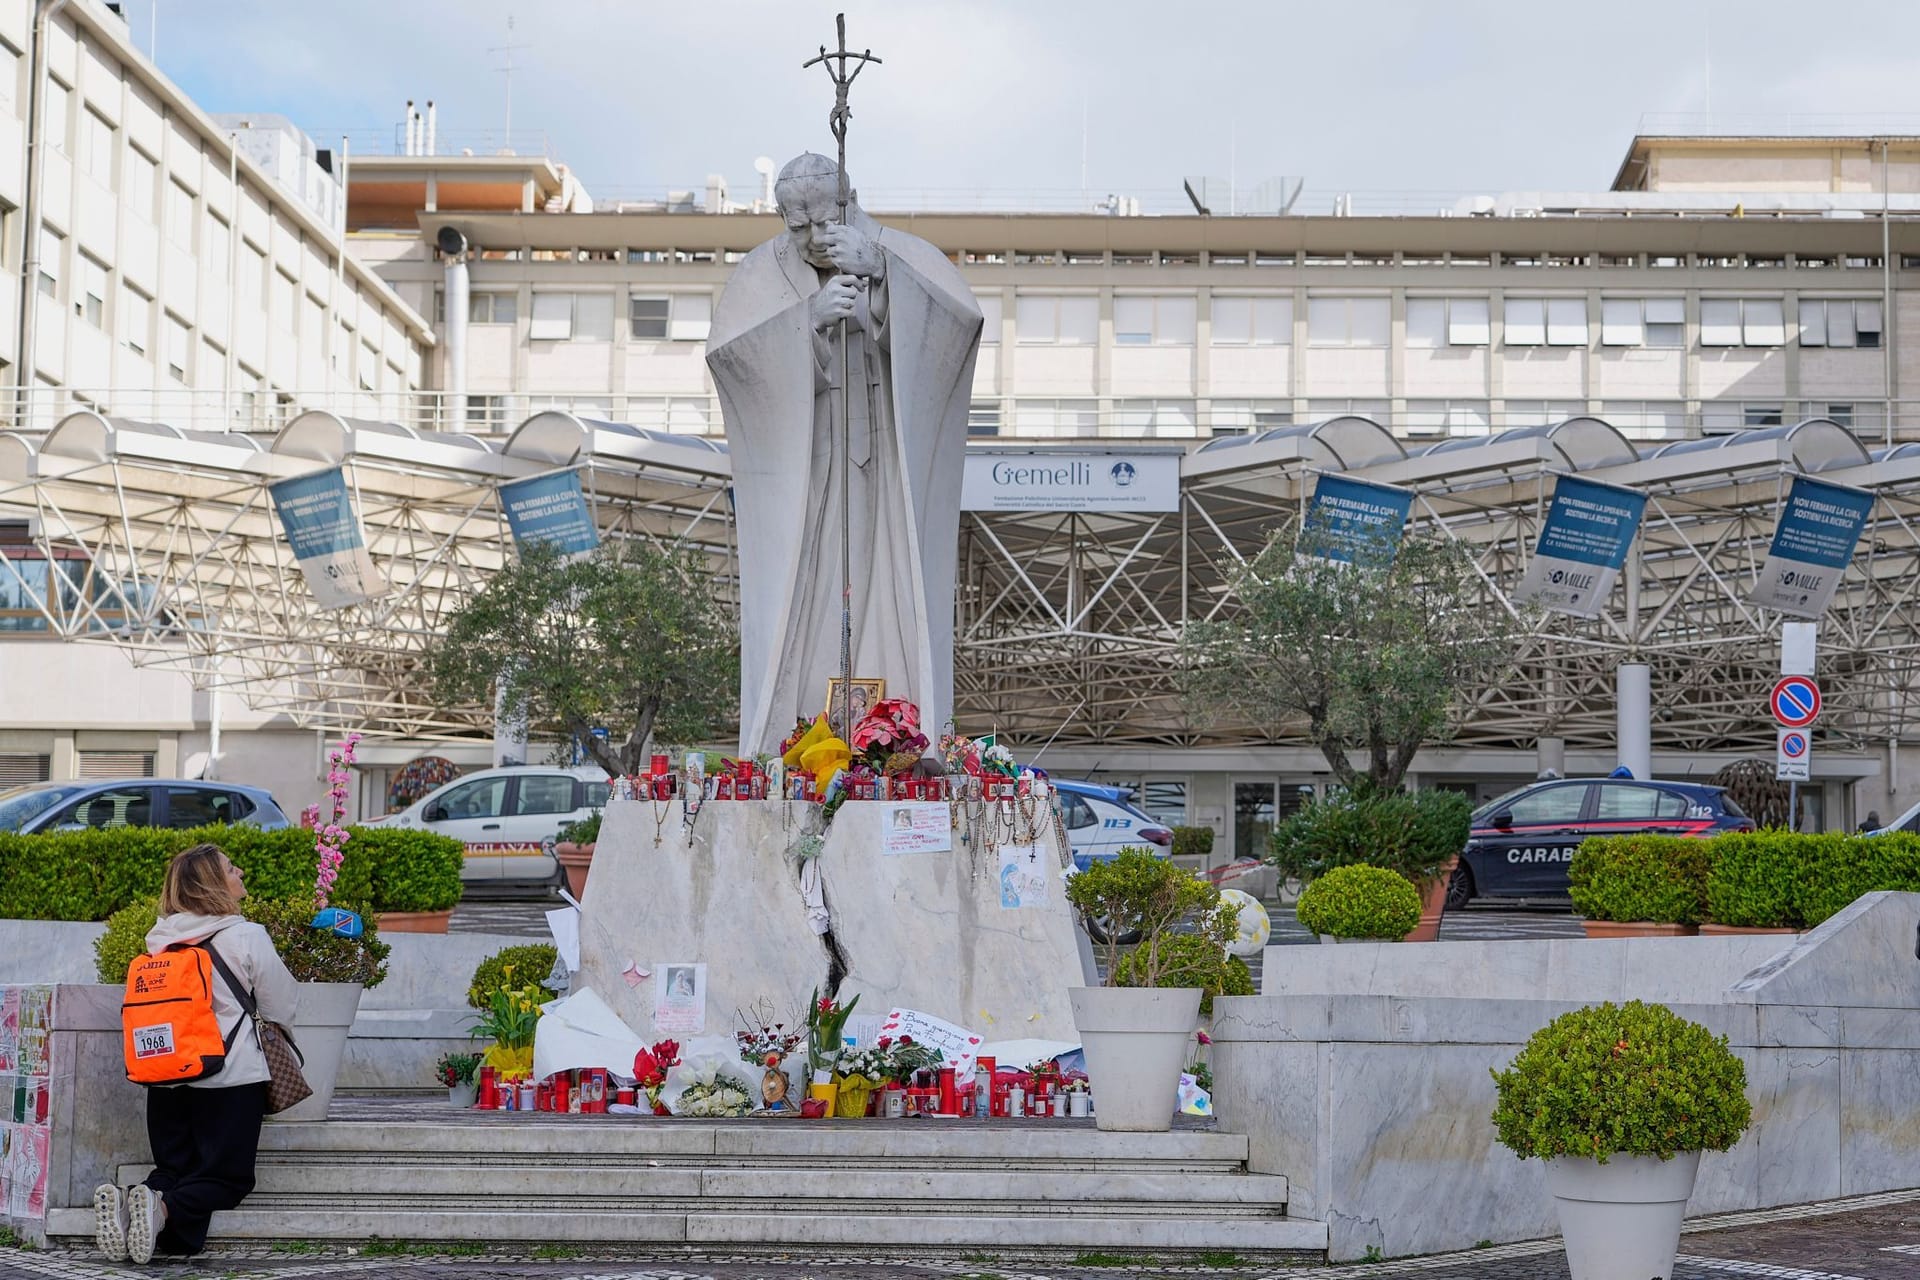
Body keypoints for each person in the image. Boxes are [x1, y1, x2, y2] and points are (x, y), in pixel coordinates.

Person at [708, 153, 983, 755]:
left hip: (887, 462)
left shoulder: (901, 253)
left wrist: (884, 278)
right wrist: (806, 320)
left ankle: (901, 730)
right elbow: (731, 358)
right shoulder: (762, 272)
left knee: (891, 576)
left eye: (824, 221)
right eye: (796, 226)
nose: (811, 238)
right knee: (806, 586)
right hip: (807, 466)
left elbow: (960, 324)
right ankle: (798, 732)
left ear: (850, 198)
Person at [95, 843, 296, 1264]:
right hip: (230, 1077)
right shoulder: (245, 936)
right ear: (211, 884)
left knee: (174, 1170)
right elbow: (282, 1005)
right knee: (228, 1178)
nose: (239, 871)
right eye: (229, 867)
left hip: (165, 1076)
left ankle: (146, 1212)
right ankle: (161, 1209)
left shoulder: (160, 942)